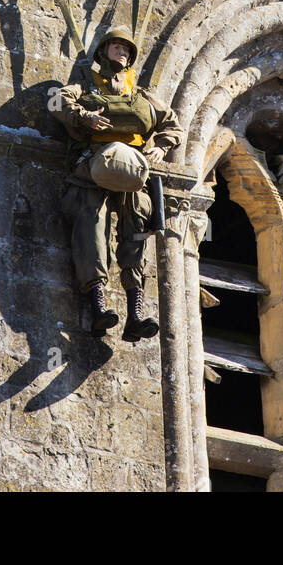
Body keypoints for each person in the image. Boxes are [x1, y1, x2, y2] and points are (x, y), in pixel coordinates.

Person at [56, 26, 183, 341]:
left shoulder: (141, 96)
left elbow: (173, 124)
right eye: (115, 46)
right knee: (90, 223)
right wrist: (83, 116)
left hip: (133, 168)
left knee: (137, 230)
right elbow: (57, 103)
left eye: (126, 48)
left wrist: (161, 146)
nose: (121, 51)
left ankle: (135, 314)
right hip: (94, 161)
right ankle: (98, 303)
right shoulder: (85, 86)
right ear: (103, 52)